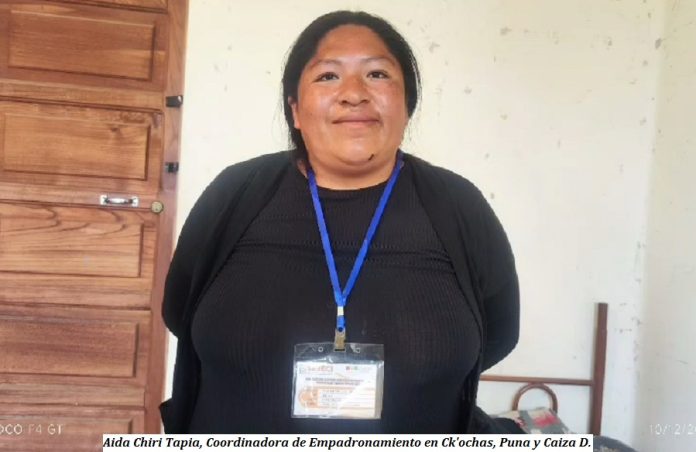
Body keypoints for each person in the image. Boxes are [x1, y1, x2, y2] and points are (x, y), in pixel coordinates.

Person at [160, 10, 520, 434]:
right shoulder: (235, 194)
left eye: (377, 74)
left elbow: (498, 333)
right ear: (295, 109)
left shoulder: (459, 207)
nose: (354, 94)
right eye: (328, 76)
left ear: (407, 105)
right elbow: (180, 309)